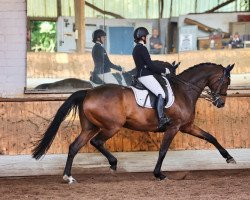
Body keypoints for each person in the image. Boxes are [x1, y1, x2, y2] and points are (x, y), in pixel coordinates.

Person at [132, 27, 171, 129]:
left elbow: (147, 65)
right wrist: (164, 70)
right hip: (145, 75)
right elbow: (150, 65)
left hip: (141, 74)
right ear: (143, 37)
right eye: (146, 36)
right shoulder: (142, 48)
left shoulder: (136, 48)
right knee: (161, 93)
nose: (147, 38)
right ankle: (161, 118)